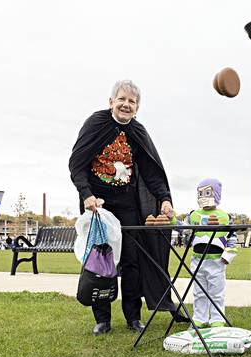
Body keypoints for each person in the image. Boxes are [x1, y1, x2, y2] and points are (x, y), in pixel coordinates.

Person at [69, 79, 177, 336]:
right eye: (122, 100)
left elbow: (151, 171)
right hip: (99, 204)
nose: (126, 105)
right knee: (100, 261)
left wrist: (164, 198)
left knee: (132, 261)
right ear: (111, 102)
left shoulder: (138, 132)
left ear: (137, 107)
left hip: (128, 203)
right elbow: (77, 163)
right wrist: (87, 195)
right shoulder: (96, 124)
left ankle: (133, 316)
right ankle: (102, 319)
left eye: (132, 102)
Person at [184, 178, 237, 328]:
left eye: (207, 192)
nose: (203, 197)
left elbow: (232, 236)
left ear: (216, 194)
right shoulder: (193, 215)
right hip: (197, 259)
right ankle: (199, 317)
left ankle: (217, 318)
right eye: (200, 193)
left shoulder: (225, 216)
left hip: (216, 261)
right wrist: (172, 218)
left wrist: (229, 255)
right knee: (199, 291)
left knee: (216, 292)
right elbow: (184, 229)